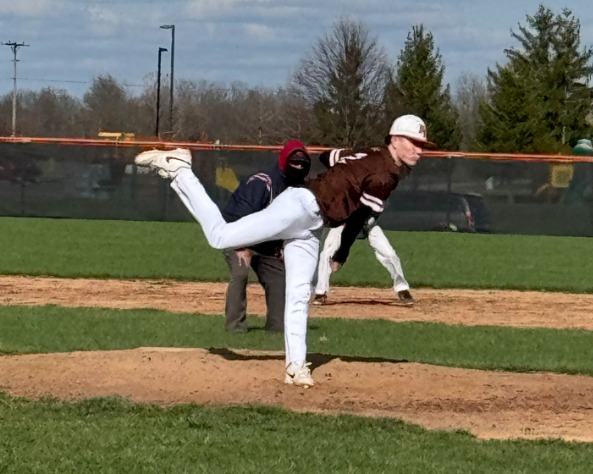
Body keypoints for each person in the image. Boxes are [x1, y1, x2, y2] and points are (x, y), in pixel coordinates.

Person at [134, 114, 430, 388]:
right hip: (300, 206)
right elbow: (358, 219)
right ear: (395, 139)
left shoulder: (367, 153)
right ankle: (181, 170)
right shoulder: (386, 175)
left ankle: (296, 367)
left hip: (312, 224)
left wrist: (344, 176)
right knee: (220, 236)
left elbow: (327, 157)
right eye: (414, 142)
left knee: (299, 293)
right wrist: (341, 254)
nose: (419, 150)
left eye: (422, 145)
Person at [222, 140, 311, 333]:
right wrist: (240, 246)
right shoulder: (263, 182)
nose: (298, 167)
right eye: (294, 162)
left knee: (280, 278)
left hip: (267, 243)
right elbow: (237, 215)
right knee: (240, 273)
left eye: (302, 163)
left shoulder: (300, 189)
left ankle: (276, 327)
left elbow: (292, 224)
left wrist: (283, 247)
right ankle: (235, 327)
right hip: (237, 235)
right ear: (284, 161)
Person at [313, 212, 415, 306]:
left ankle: (402, 289)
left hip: (368, 225)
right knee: (326, 253)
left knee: (390, 254)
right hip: (343, 224)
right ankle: (320, 292)